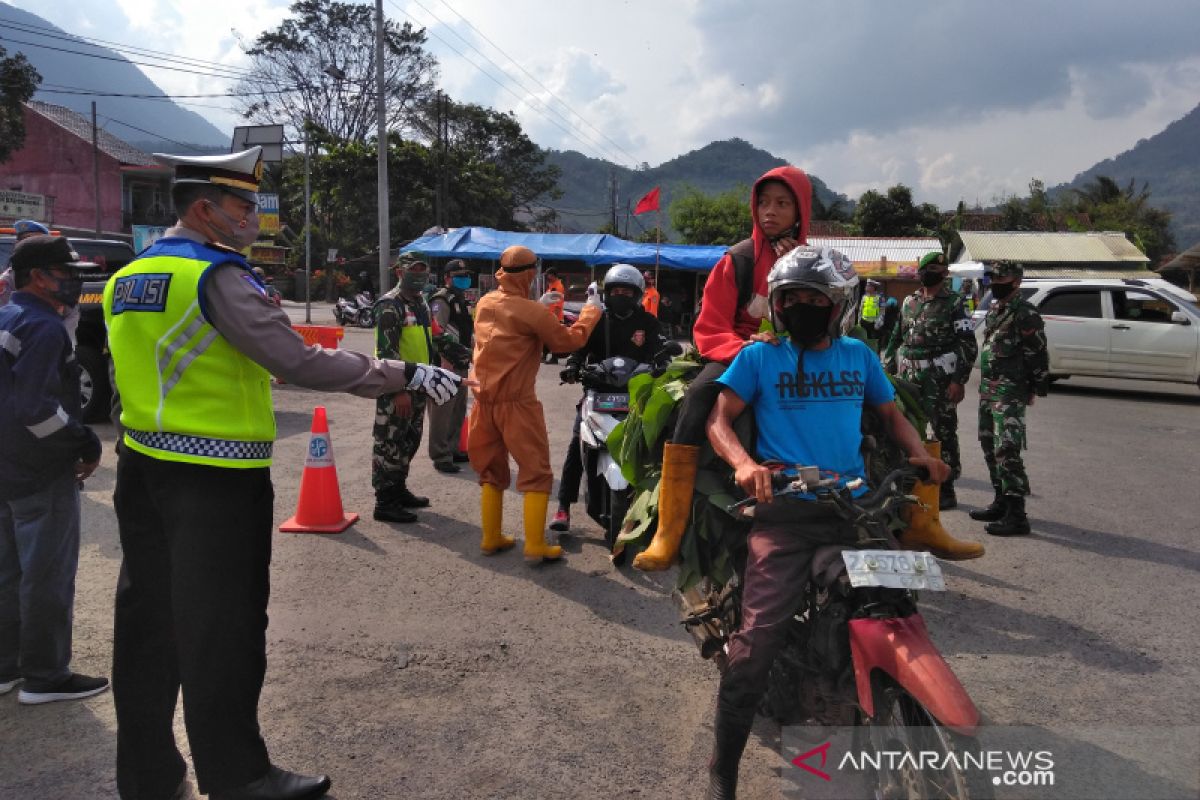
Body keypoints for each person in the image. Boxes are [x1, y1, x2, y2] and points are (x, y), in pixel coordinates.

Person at [103, 147, 463, 800]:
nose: (254, 220)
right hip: (215, 477)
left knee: (148, 628)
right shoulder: (216, 277)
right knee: (225, 629)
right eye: (244, 207)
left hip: (140, 466)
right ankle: (238, 776)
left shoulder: (131, 274)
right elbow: (297, 362)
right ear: (206, 209)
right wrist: (402, 374)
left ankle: (149, 776)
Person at [702, 246, 950, 798]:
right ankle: (723, 771)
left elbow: (892, 417)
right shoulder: (759, 358)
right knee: (755, 647)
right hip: (786, 514)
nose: (803, 308)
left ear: (838, 304)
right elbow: (720, 419)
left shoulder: (859, 356)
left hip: (858, 510)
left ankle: (878, 696)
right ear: (778, 305)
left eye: (816, 299)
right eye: (793, 299)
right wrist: (743, 464)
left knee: (898, 604)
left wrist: (921, 455)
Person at [633, 165, 811, 572]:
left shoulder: (813, 260)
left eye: (782, 203)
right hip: (738, 351)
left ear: (800, 210)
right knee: (698, 396)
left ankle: (913, 519)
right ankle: (669, 529)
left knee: (871, 396)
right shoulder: (739, 259)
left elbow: (830, 315)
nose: (770, 211)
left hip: (795, 352)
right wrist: (746, 346)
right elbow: (709, 326)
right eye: (764, 202)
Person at [0, 235, 109, 706]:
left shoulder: (7, 315)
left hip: (6, 470)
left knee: (7, 573)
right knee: (46, 574)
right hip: (40, 473)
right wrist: (81, 442)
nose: (74, 281)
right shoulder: (44, 328)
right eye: (66, 273)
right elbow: (36, 409)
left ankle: (6, 668)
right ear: (38, 277)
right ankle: (45, 676)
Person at [469, 245, 601, 561]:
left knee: (490, 469)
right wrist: (590, 312)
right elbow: (566, 342)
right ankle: (535, 545)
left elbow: (509, 322)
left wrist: (535, 308)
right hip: (517, 405)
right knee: (536, 471)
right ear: (530, 273)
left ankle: (491, 537)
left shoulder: (485, 303)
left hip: (482, 403)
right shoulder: (532, 312)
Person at [550, 264, 669, 532]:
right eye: (616, 290)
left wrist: (664, 364)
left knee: (657, 444)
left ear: (638, 294)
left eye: (627, 291)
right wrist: (573, 365)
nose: (621, 295)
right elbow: (579, 347)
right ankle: (563, 506)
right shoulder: (597, 319)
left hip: (636, 394)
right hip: (598, 391)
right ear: (607, 293)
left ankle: (657, 505)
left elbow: (661, 350)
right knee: (576, 443)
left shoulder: (648, 322)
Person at [882, 252, 978, 513]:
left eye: (936, 268)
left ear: (945, 273)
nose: (930, 272)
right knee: (909, 427)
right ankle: (909, 482)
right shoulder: (910, 302)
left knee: (943, 431)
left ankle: (946, 488)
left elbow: (967, 344)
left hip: (939, 379)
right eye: (926, 268)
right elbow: (896, 337)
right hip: (909, 377)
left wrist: (959, 381)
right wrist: (887, 366)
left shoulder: (955, 303)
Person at [970, 261, 1049, 536]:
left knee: (1007, 447)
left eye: (1000, 277)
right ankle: (1001, 500)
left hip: (1010, 389)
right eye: (992, 277)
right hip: (989, 387)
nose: (994, 282)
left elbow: (1037, 351)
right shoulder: (996, 308)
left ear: (1015, 281)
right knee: (987, 442)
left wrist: (1036, 385)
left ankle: (1017, 514)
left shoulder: (1025, 312)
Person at [372, 254, 438, 523]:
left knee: (409, 440)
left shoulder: (420, 303)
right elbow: (387, 353)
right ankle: (385, 502)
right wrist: (397, 390)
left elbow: (431, 339)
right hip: (397, 387)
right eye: (414, 270)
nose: (420, 275)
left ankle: (398, 490)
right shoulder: (391, 305)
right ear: (400, 271)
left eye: (424, 270)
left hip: (419, 383)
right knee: (390, 442)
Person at [426, 259, 475, 474]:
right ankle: (440, 454)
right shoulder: (441, 300)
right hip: (445, 362)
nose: (464, 279)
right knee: (442, 410)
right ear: (447, 278)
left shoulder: (461, 300)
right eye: (458, 275)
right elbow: (437, 330)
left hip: (460, 361)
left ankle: (453, 448)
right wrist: (444, 358)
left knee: (458, 408)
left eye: (465, 275)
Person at [0, 219, 52, 307]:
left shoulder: (55, 273)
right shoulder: (8, 280)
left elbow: (71, 312)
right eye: (27, 242)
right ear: (17, 245)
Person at [541, 266, 567, 364]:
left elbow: (557, 304)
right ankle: (544, 355)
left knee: (554, 339)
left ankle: (554, 358)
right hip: (549, 316)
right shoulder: (552, 286)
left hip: (555, 317)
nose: (547, 277)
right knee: (545, 337)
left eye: (549, 275)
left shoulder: (558, 287)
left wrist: (555, 319)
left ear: (553, 275)